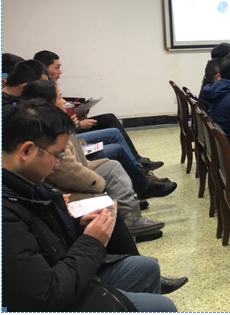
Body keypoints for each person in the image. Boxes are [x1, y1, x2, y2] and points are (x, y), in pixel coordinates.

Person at [1, 100, 178, 312]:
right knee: (163, 306)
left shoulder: (26, 182)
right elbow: (47, 295)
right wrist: (91, 241)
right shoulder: (7, 213)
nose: (57, 164)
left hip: (66, 273)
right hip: (57, 294)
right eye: (57, 155)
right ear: (26, 150)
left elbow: (46, 240)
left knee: (147, 267)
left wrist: (78, 226)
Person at [20, 80, 165, 237]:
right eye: (60, 97)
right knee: (104, 198)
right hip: (61, 190)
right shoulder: (48, 133)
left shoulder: (54, 124)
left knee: (112, 166)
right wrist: (99, 184)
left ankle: (131, 219)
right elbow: (69, 172)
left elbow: (74, 163)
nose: (65, 102)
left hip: (66, 181)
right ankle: (126, 228)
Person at [34, 50, 164, 171]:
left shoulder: (50, 86)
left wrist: (76, 118)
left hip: (70, 127)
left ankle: (136, 159)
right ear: (44, 68)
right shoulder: (40, 92)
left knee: (109, 118)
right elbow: (51, 126)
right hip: (69, 134)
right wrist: (78, 124)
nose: (60, 72)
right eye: (57, 67)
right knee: (113, 134)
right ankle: (138, 169)